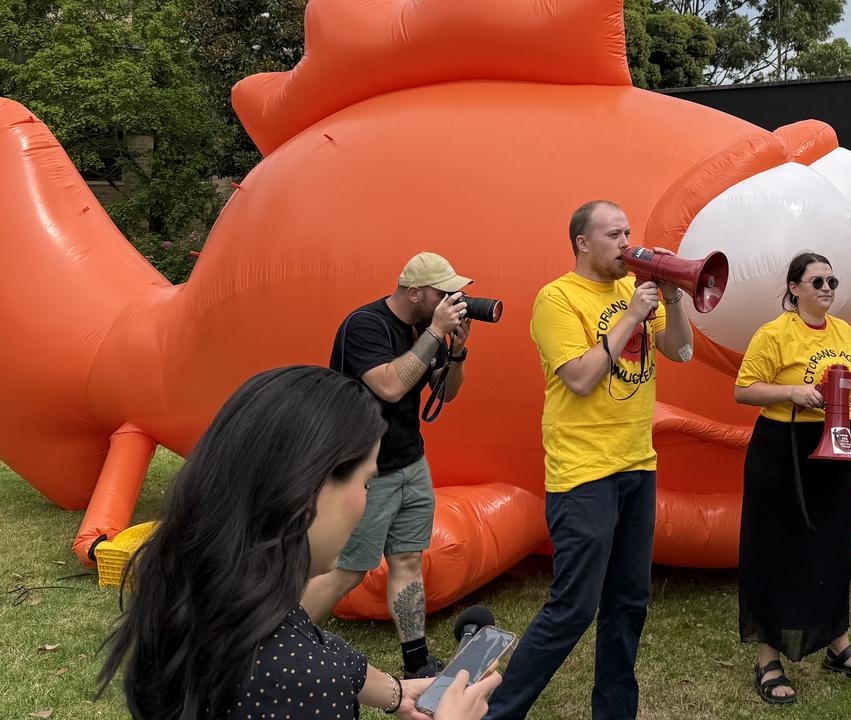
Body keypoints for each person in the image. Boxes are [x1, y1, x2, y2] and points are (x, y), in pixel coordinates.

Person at [99, 366, 501, 719]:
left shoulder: (200, 588)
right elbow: (309, 661)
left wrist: (398, 693)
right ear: (306, 490)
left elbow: (312, 637)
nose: (367, 503)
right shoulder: (304, 687)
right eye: (365, 483)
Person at [484, 200, 693, 720]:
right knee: (573, 608)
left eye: (629, 232)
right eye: (614, 234)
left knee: (628, 603)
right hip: (583, 473)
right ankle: (498, 713)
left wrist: (671, 295)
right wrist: (629, 317)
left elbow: (681, 350)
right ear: (582, 242)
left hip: (637, 466)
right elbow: (579, 378)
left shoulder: (635, 290)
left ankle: (615, 712)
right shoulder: (556, 299)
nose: (628, 243)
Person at [302, 252, 472, 678]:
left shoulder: (423, 329)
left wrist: (458, 350)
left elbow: (446, 394)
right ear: (415, 292)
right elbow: (391, 386)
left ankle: (415, 661)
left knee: (409, 559)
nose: (452, 299)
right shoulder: (365, 325)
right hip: (362, 469)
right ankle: (275, 643)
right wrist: (435, 332)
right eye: (442, 292)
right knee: (349, 570)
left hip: (409, 460)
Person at [732, 251, 851, 704]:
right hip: (783, 446)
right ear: (794, 287)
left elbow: (844, 381)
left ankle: (837, 645)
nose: (826, 289)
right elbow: (744, 389)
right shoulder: (774, 334)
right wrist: (792, 392)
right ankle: (767, 657)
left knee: (834, 542)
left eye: (832, 281)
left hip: (836, 442)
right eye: (817, 281)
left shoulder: (843, 331)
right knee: (774, 546)